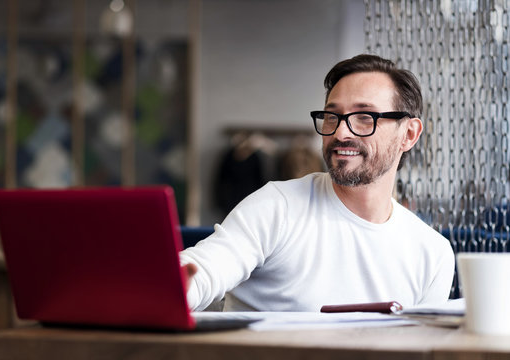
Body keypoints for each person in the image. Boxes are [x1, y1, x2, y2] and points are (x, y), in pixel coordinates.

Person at [180, 54, 455, 312]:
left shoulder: (432, 253)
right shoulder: (278, 207)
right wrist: (176, 285)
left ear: (408, 134)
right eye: (332, 116)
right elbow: (204, 270)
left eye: (363, 117)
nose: (341, 132)